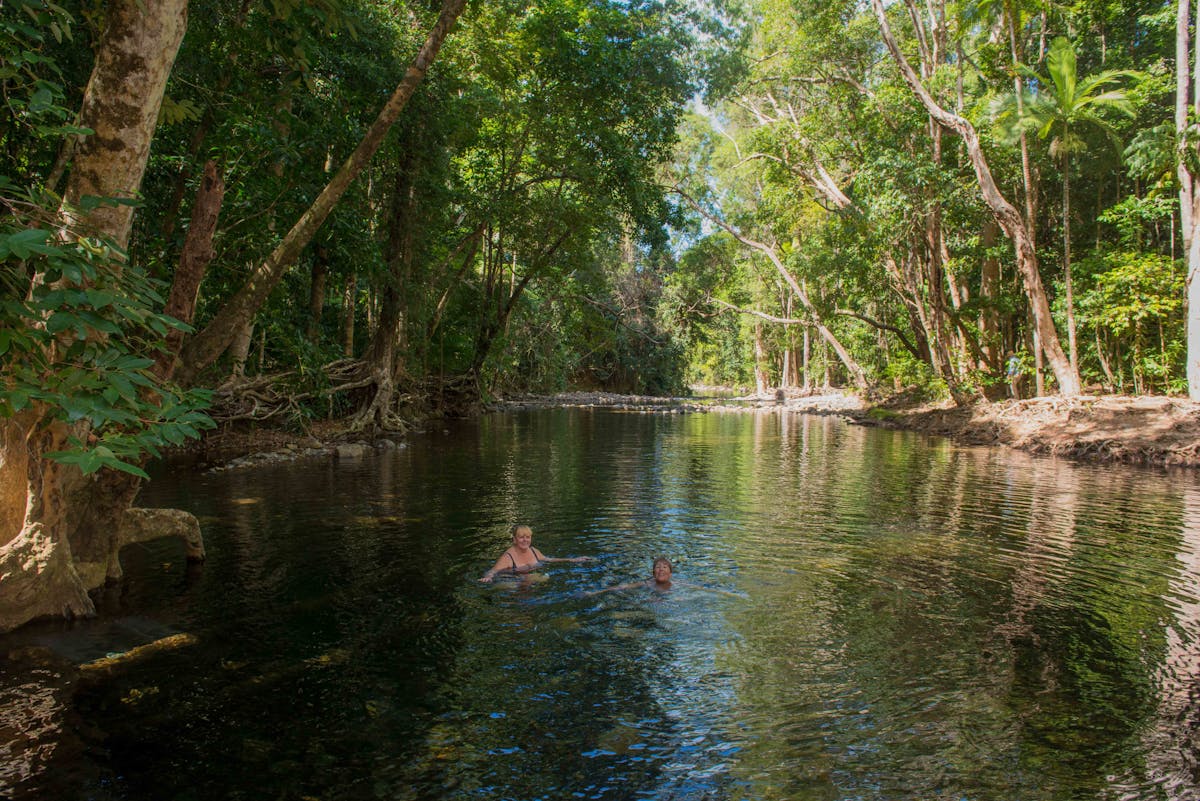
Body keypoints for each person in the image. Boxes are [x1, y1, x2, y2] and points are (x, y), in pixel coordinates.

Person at [478, 524, 591, 582]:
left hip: (528, 580)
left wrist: (572, 560)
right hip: (512, 581)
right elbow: (493, 571)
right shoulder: (508, 557)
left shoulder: (533, 550)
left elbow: (548, 559)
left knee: (544, 578)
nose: (525, 540)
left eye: (527, 537)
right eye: (521, 537)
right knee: (513, 585)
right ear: (514, 539)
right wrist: (488, 577)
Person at [588, 556, 676, 595]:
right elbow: (622, 587)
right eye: (658, 567)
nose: (661, 569)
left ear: (670, 574)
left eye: (665, 567)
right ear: (653, 573)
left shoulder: (675, 584)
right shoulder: (647, 583)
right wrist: (594, 593)